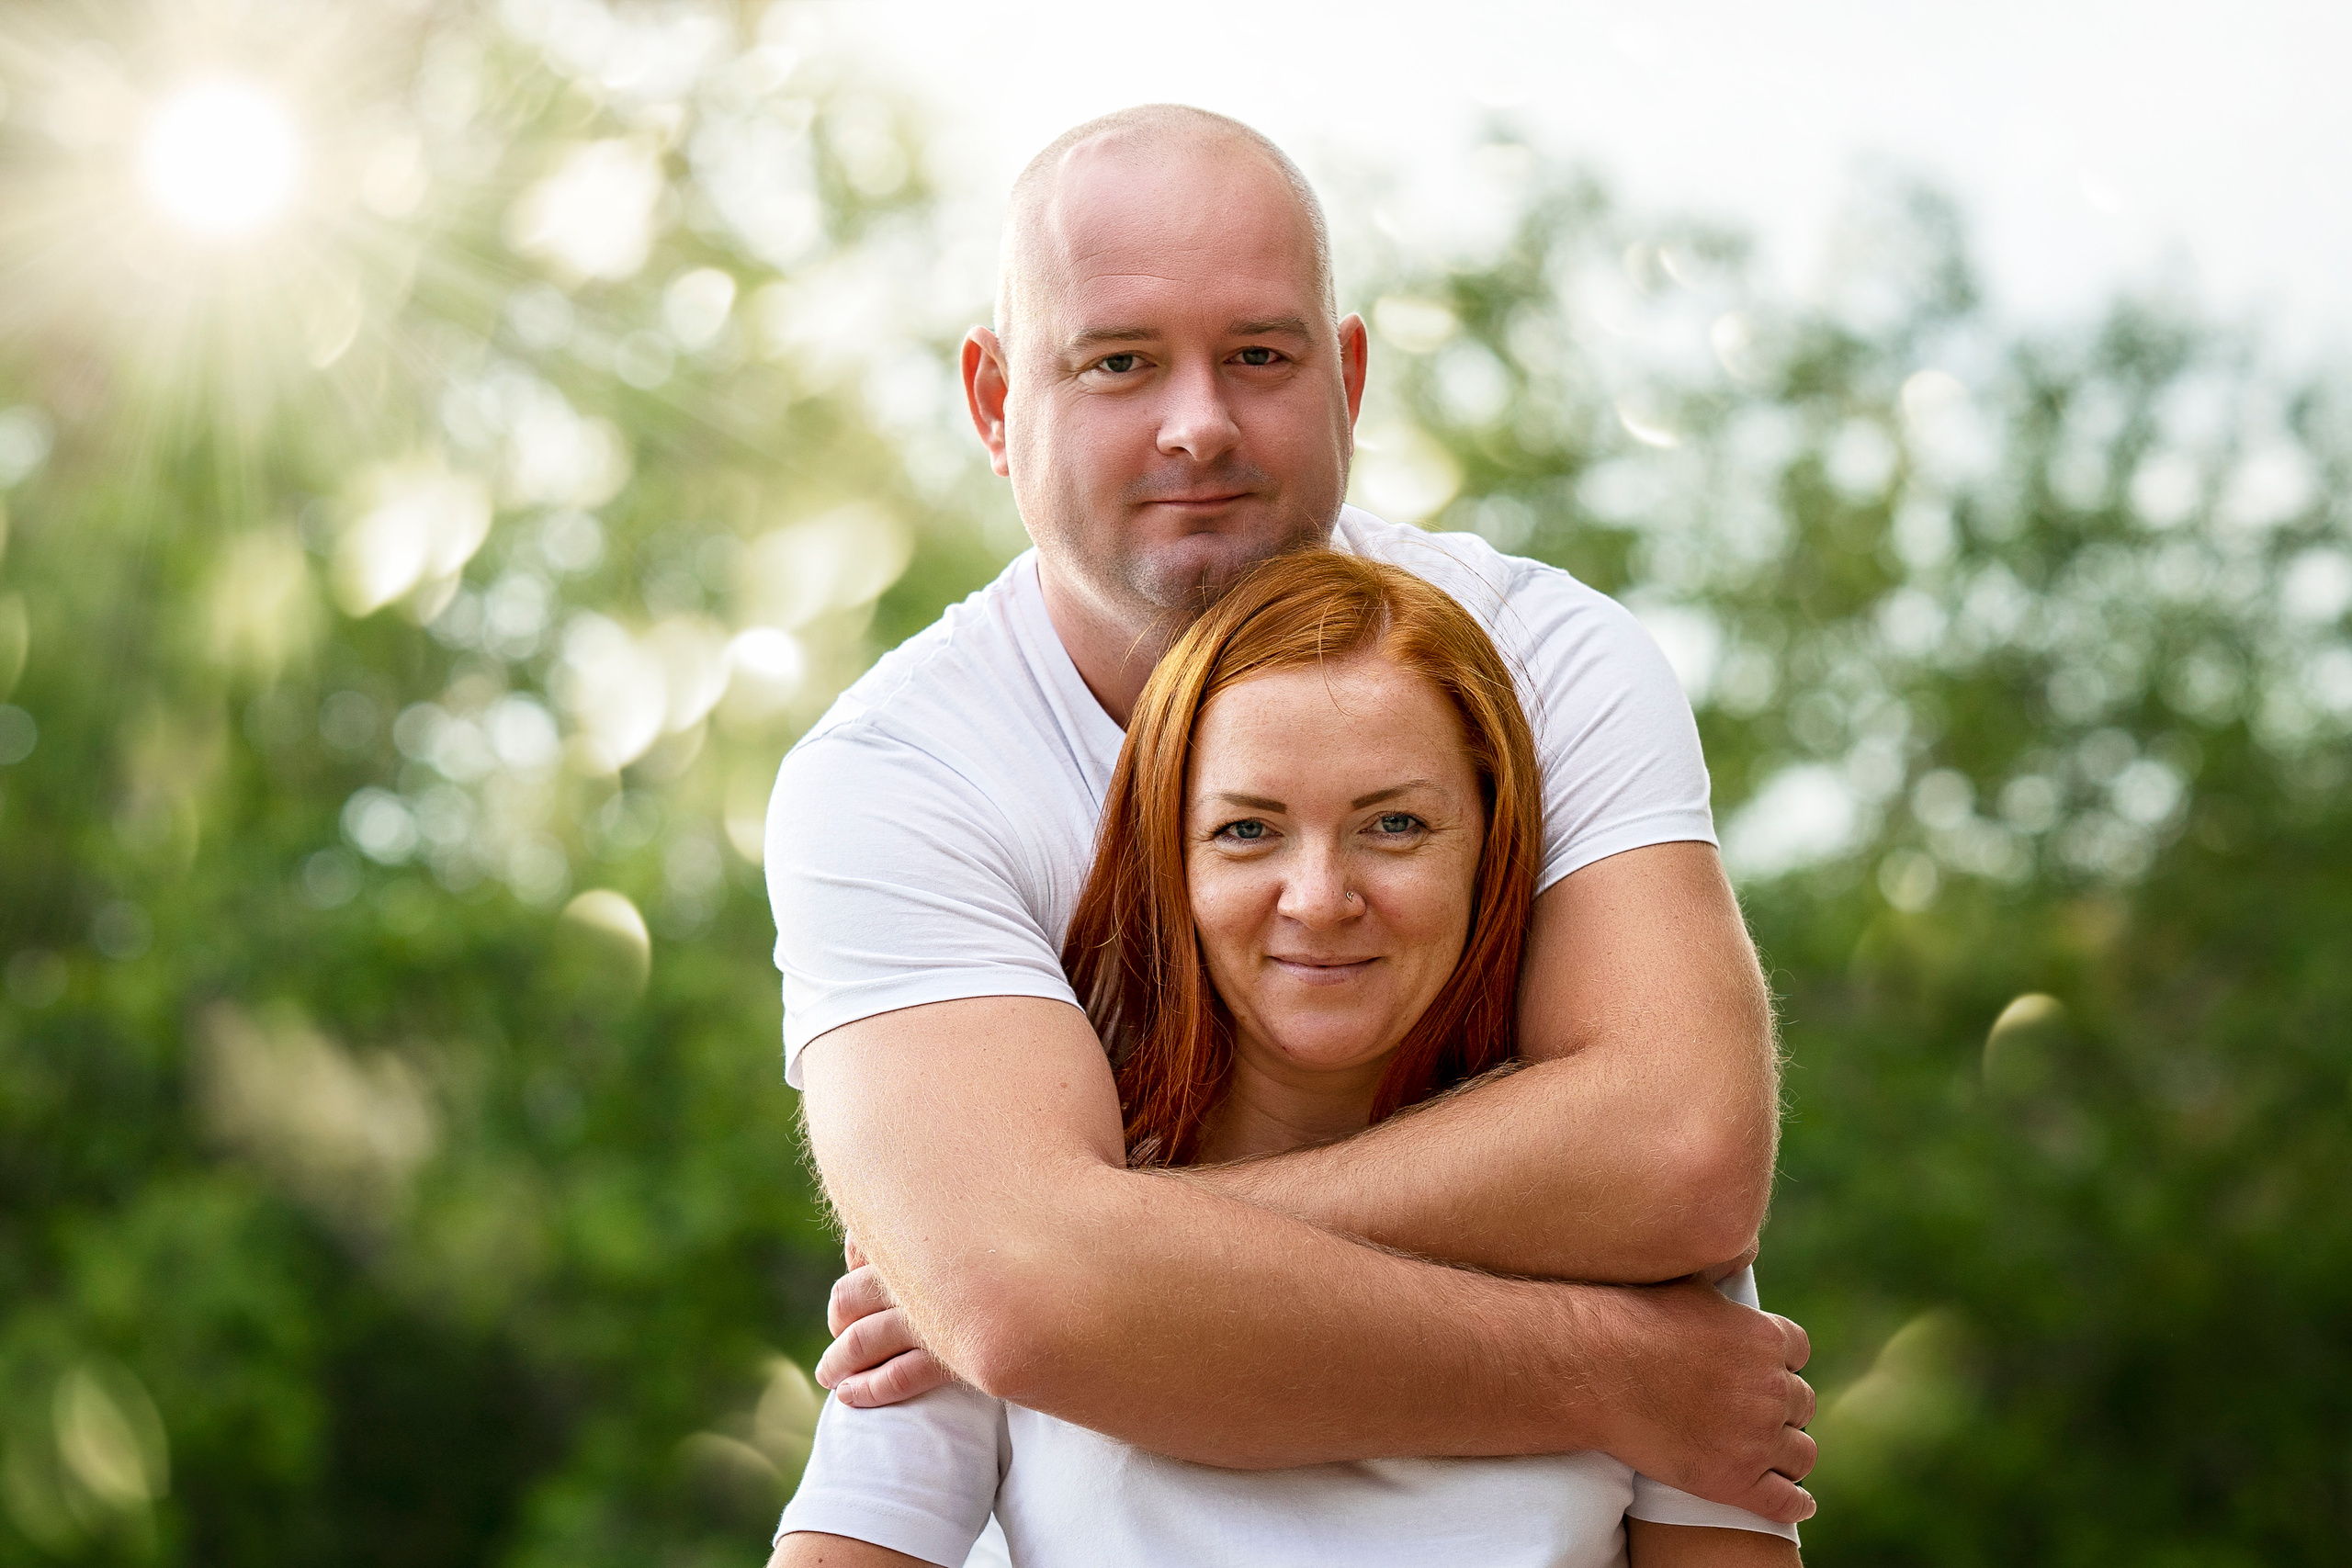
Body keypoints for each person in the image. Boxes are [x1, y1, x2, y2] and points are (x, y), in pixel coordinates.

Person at [765, 100, 1815, 1525]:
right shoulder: (894, 777)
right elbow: (1019, 1304)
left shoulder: (1543, 660)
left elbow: (1684, 1148)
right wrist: (1603, 1369)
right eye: (1120, 362)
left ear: (1350, 379)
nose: (1199, 423)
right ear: (998, 402)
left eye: (1260, 355)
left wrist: (1119, 1245)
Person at [770, 552, 1799, 1566]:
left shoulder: (1632, 1253)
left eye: (1394, 825)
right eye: (1247, 831)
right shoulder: (992, 1259)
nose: (1318, 897)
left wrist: (1107, 1255)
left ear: (1491, 854)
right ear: (1167, 865)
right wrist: (1030, 1259)